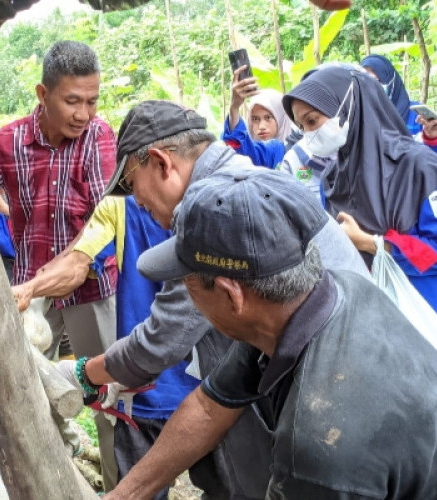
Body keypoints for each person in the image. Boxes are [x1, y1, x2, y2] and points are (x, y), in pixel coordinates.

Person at [58, 100, 370, 498]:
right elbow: (213, 401)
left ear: (161, 162)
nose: (137, 203)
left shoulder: (216, 213)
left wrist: (87, 374)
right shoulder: (242, 179)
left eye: (133, 186)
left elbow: (165, 337)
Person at [105, 166, 437, 499]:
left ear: (232, 295)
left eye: (186, 282)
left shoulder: (314, 452)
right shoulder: (328, 294)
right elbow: (210, 407)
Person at [0, 40, 119, 488]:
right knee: (24, 392)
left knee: (111, 396)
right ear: (42, 94)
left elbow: (103, 216)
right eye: (72, 101)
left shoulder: (100, 137)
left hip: (92, 286)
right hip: (30, 290)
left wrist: (66, 268)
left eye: (92, 101)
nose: (84, 113)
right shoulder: (6, 141)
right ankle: (49, 482)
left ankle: (120, 489)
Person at [12, 190, 199, 499]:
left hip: (197, 388)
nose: (136, 193)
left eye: (131, 177)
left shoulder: (214, 203)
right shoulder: (118, 206)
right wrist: (31, 290)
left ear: (158, 162)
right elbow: (77, 264)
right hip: (149, 392)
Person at [282, 65, 437, 311]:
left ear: (348, 106)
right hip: (366, 317)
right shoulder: (331, 180)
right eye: (302, 127)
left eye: (312, 121)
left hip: (423, 313)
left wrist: (374, 244)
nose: (309, 135)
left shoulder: (418, 166)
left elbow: (434, 253)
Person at [222, 69, 297, 168]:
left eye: (268, 118)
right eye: (255, 119)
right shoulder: (259, 154)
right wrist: (234, 107)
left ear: (281, 117)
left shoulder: (300, 148)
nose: (261, 126)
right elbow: (241, 152)